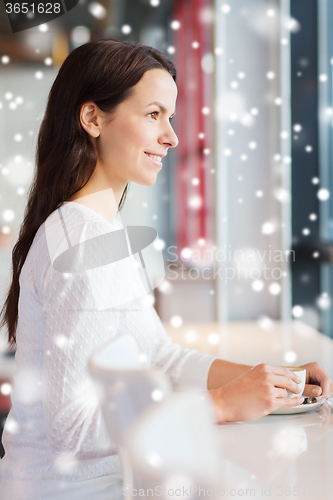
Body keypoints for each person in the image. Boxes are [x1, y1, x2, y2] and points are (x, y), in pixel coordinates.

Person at [0, 39, 332, 499]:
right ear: (92, 118)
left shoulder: (100, 230)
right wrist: (220, 404)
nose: (172, 137)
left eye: (170, 117)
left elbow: (161, 357)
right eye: (154, 114)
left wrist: (269, 379)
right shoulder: (77, 241)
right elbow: (72, 429)